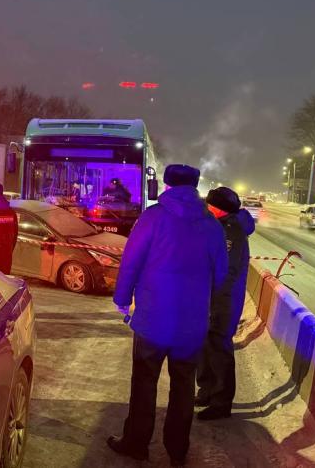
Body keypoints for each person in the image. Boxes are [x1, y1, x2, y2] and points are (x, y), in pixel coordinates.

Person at [107, 164, 227, 466]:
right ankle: (177, 449)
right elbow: (222, 274)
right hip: (191, 324)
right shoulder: (211, 225)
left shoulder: (153, 217)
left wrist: (122, 298)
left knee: (144, 383)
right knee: (183, 385)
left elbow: (131, 261)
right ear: (196, 187)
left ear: (168, 185)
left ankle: (136, 443)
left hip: (153, 319)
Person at [196, 186, 255, 420]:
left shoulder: (232, 231)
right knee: (205, 344)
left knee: (219, 347)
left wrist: (211, 294)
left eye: (211, 205)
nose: (208, 208)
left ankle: (221, 402)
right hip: (211, 297)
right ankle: (207, 390)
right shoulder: (219, 226)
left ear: (220, 209)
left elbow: (226, 271)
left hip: (223, 298)